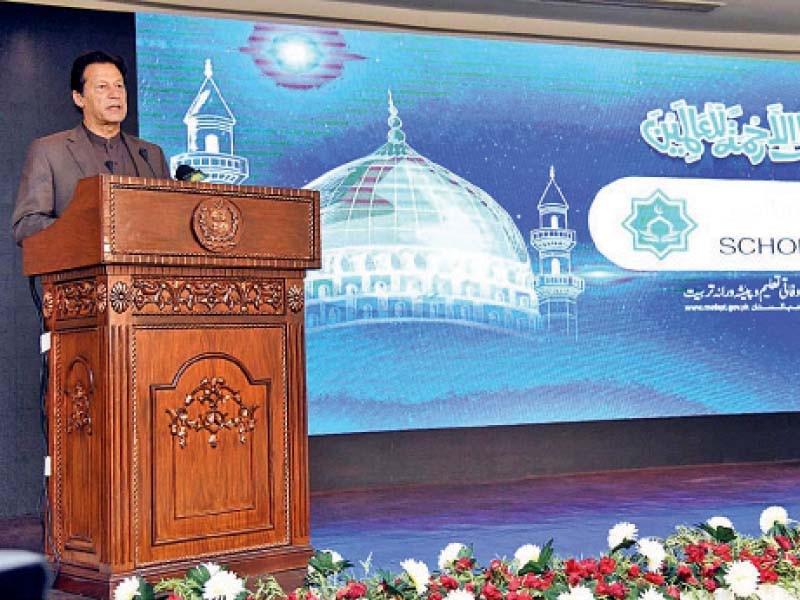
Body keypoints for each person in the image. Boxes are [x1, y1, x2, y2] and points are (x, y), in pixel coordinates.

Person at [11, 50, 170, 244]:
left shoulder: (150, 155)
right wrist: (84, 230)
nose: (115, 94)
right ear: (79, 98)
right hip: (78, 269)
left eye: (119, 86)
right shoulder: (49, 151)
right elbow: (27, 226)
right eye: (102, 87)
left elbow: (169, 220)